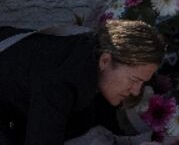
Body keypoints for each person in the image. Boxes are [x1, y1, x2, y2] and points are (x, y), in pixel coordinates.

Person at [0, 19, 164, 145]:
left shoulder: (93, 65)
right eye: (134, 80)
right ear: (105, 61)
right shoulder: (61, 84)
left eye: (142, 82)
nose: (136, 91)